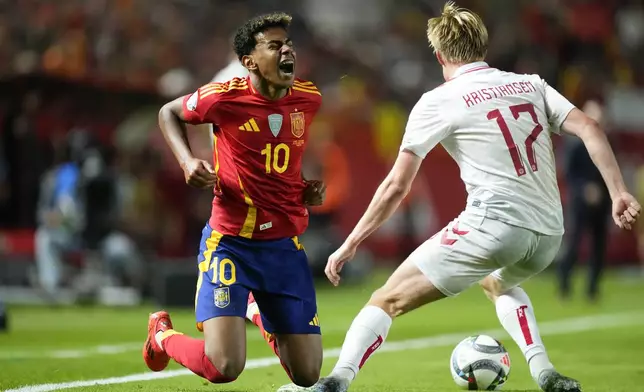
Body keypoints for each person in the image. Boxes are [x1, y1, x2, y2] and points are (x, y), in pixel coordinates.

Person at [277, 2, 641, 392]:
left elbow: (396, 186)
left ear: (439, 54)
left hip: (495, 226)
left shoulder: (439, 100)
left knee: (385, 299)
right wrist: (619, 192)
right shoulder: (531, 84)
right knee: (495, 281)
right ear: (482, 46)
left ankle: (333, 383)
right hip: (550, 233)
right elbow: (589, 127)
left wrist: (350, 243)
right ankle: (545, 372)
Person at [143, 12, 327, 388]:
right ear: (249, 61)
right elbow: (168, 113)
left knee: (308, 376)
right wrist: (186, 161)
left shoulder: (308, 99)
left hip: (283, 247)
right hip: (232, 244)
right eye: (274, 45)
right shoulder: (224, 98)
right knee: (224, 366)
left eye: (288, 44)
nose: (287, 49)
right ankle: (161, 335)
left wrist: (305, 187)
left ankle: (255, 307)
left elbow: (281, 160)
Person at [557, 100, 611, 301]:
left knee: (599, 246)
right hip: (580, 202)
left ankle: (593, 288)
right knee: (574, 243)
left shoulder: (606, 142)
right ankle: (563, 284)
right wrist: (584, 189)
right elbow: (569, 173)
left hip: (602, 203)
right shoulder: (575, 145)